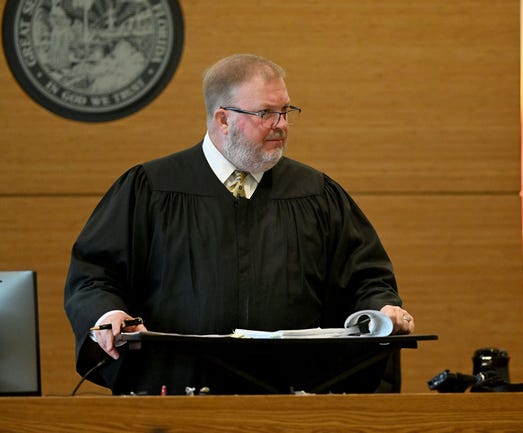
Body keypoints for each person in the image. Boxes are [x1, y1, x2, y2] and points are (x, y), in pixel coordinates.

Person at [64, 53, 414, 395]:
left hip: (291, 397)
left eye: (286, 111)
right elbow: (95, 274)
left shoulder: (316, 194)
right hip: (174, 393)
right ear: (222, 120)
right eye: (265, 113)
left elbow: (365, 277)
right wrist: (108, 313)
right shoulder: (151, 189)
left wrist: (382, 308)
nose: (281, 124)